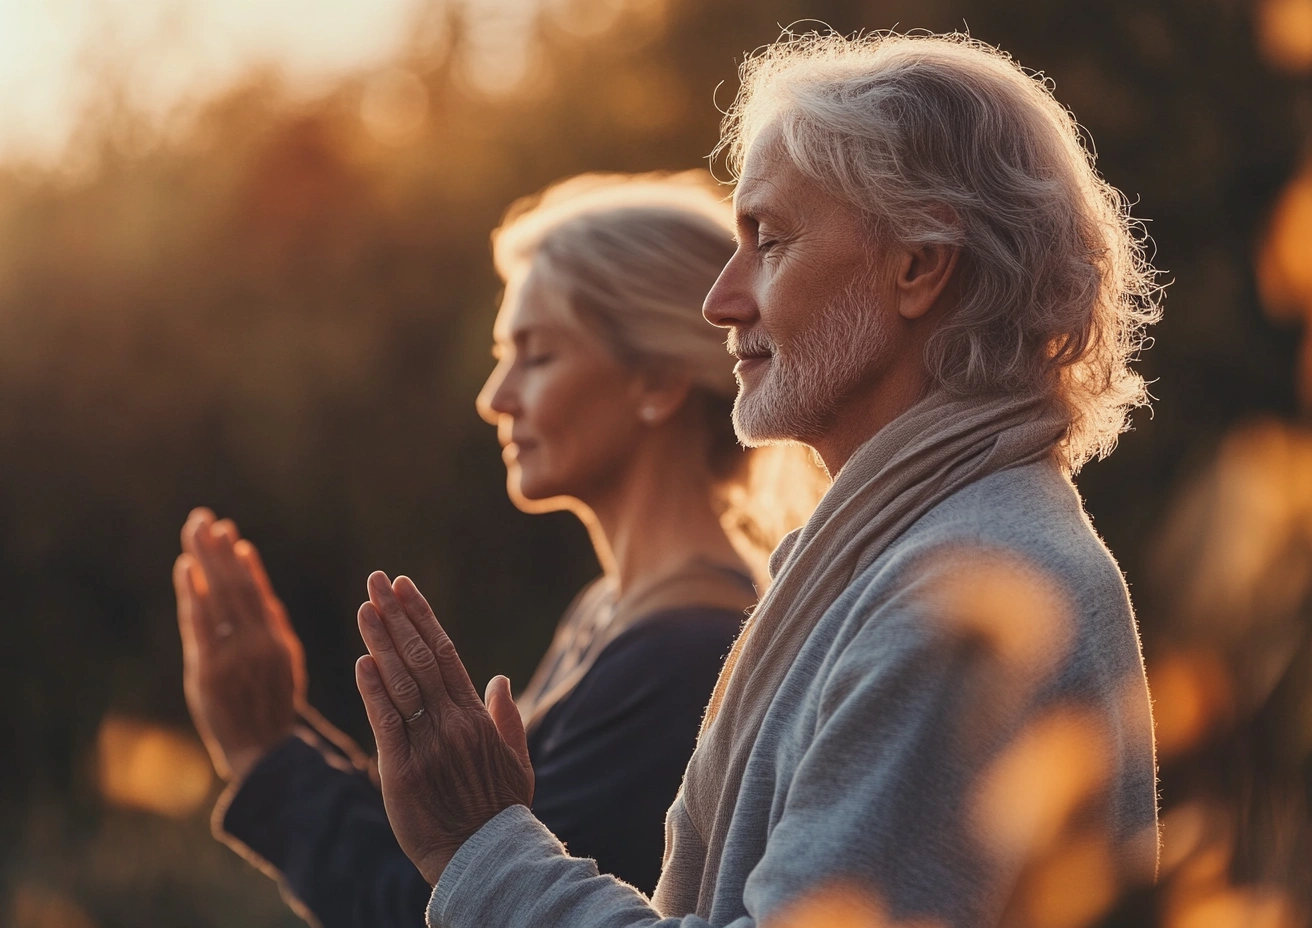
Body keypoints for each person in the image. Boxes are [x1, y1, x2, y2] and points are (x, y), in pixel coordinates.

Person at [349, 31, 1163, 928]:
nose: (720, 300)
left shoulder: (957, 601)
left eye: (768, 240)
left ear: (920, 265)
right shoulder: (919, 556)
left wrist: (484, 847)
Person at [172, 173, 823, 927]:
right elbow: (450, 858)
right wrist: (276, 735)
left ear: (656, 379)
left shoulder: (684, 653)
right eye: (501, 354)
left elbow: (445, 906)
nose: (495, 396)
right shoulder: (611, 610)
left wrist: (264, 753)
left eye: (537, 356)